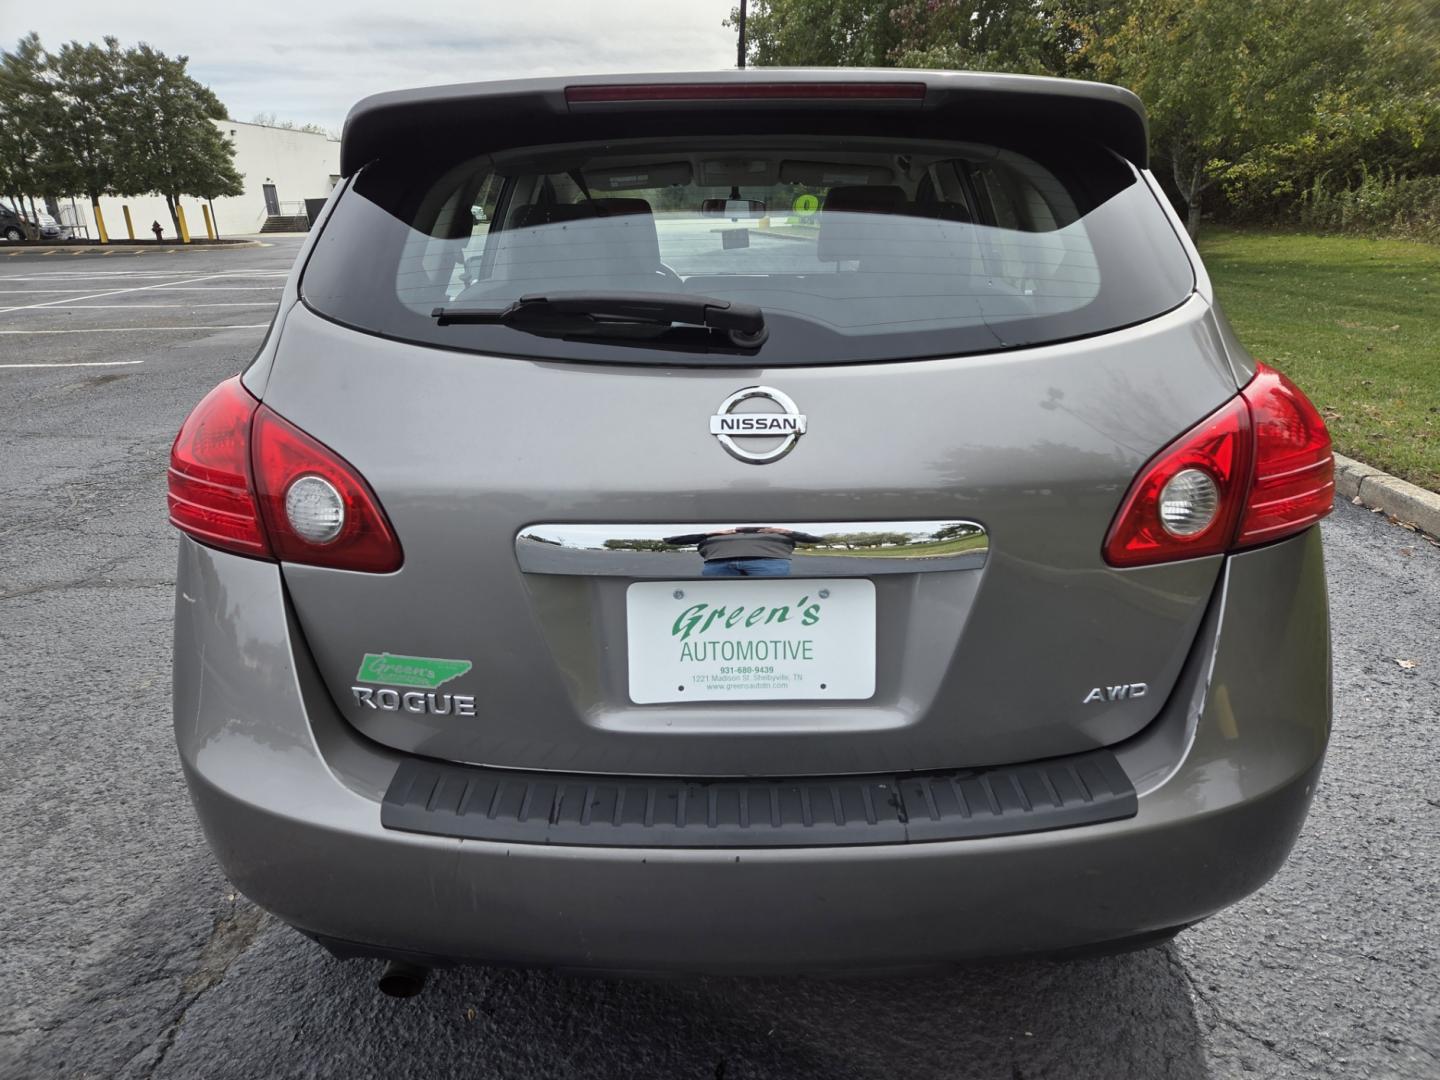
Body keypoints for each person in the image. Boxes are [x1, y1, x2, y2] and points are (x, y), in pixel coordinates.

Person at [662, 526, 825, 578]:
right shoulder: (718, 529)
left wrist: (786, 531)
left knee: (772, 597)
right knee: (716, 598)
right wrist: (709, 534)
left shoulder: (777, 530)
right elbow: (671, 540)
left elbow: (816, 539)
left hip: (769, 562)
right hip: (718, 563)